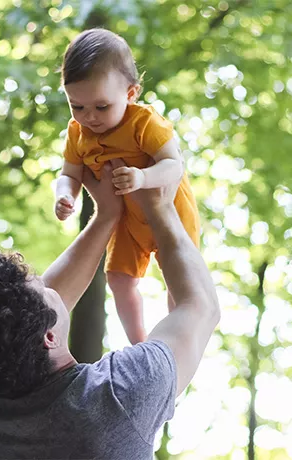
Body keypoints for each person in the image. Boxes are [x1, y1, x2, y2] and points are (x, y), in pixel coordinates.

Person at [0, 161, 221, 459]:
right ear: (49, 338)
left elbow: (27, 325)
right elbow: (201, 306)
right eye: (43, 288)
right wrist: (158, 205)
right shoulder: (119, 396)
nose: (50, 285)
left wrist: (106, 216)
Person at [52, 28, 202, 345]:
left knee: (180, 280)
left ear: (131, 93)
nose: (88, 117)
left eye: (101, 107)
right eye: (76, 106)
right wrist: (65, 195)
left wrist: (142, 177)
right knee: (118, 279)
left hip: (171, 213)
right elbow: (70, 173)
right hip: (126, 222)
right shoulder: (77, 133)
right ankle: (140, 343)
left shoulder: (143, 122)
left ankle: (180, 342)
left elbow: (174, 164)